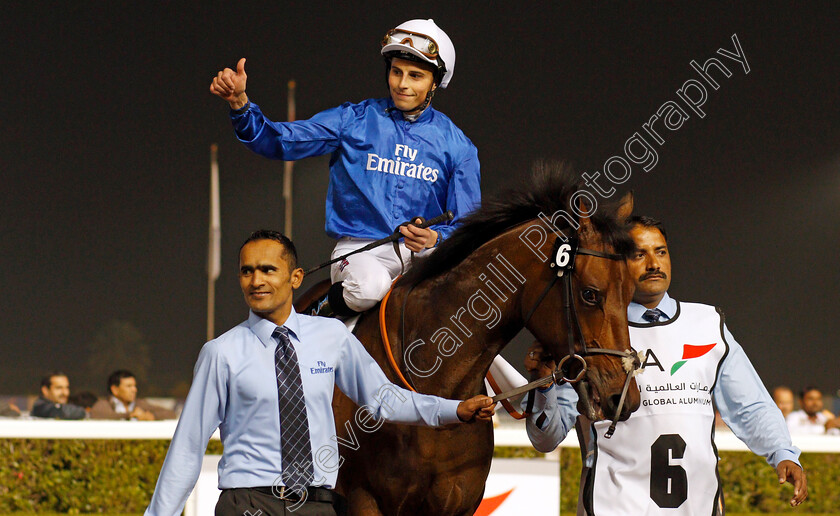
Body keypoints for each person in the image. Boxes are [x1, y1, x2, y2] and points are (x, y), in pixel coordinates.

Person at [145, 230, 494, 516]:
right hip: (248, 504)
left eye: (268, 270)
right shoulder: (220, 353)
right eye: (246, 271)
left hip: (318, 506)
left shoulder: (332, 336)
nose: (255, 281)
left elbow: (383, 400)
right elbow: (188, 447)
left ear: (296, 277)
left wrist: (454, 409)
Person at [523, 215, 807, 514]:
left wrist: (782, 453)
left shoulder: (708, 324)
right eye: (638, 254)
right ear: (616, 264)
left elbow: (751, 406)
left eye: (661, 251)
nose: (654, 263)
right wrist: (543, 388)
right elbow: (547, 437)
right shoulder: (587, 335)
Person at [210, 19, 480, 317]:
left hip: (426, 254)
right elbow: (281, 141)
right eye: (396, 72)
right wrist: (241, 105)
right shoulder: (353, 120)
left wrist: (435, 238)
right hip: (361, 251)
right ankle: (319, 316)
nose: (402, 84)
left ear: (434, 83)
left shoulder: (459, 147)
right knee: (369, 288)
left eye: (415, 76)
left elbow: (470, 226)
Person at [90, 370, 177, 420]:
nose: (134, 390)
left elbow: (170, 414)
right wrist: (129, 415)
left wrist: (150, 416)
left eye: (134, 386)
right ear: (115, 389)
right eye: (129, 386)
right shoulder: (104, 404)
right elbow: (98, 415)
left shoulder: (140, 404)